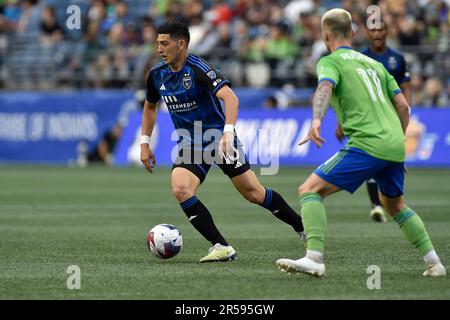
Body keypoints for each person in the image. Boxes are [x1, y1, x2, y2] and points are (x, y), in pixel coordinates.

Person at [276, 9, 446, 277]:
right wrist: (397, 144)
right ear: (353, 34)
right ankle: (434, 263)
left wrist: (317, 120)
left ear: (325, 36)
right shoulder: (376, 65)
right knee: (395, 205)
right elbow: (403, 106)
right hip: (393, 144)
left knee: (309, 190)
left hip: (368, 143)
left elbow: (324, 89)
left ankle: (314, 257)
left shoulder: (330, 61)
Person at [140, 21, 305, 263]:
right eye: (157, 43)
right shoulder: (157, 75)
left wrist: (228, 132)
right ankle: (221, 246)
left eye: (164, 43)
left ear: (181, 44)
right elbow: (150, 106)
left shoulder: (198, 69)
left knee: (254, 194)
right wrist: (145, 142)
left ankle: (301, 226)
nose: (159, 48)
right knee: (181, 188)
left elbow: (230, 98)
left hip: (217, 138)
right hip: (190, 144)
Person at [335, 19, 411, 223]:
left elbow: (404, 90)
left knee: (378, 158)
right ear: (367, 34)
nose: (377, 33)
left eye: (381, 29)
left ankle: (387, 202)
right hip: (367, 117)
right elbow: (348, 94)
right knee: (372, 155)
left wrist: (405, 112)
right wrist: (340, 123)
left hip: (390, 116)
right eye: (373, 30)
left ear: (387, 32)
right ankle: (377, 204)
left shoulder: (397, 58)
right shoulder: (360, 57)